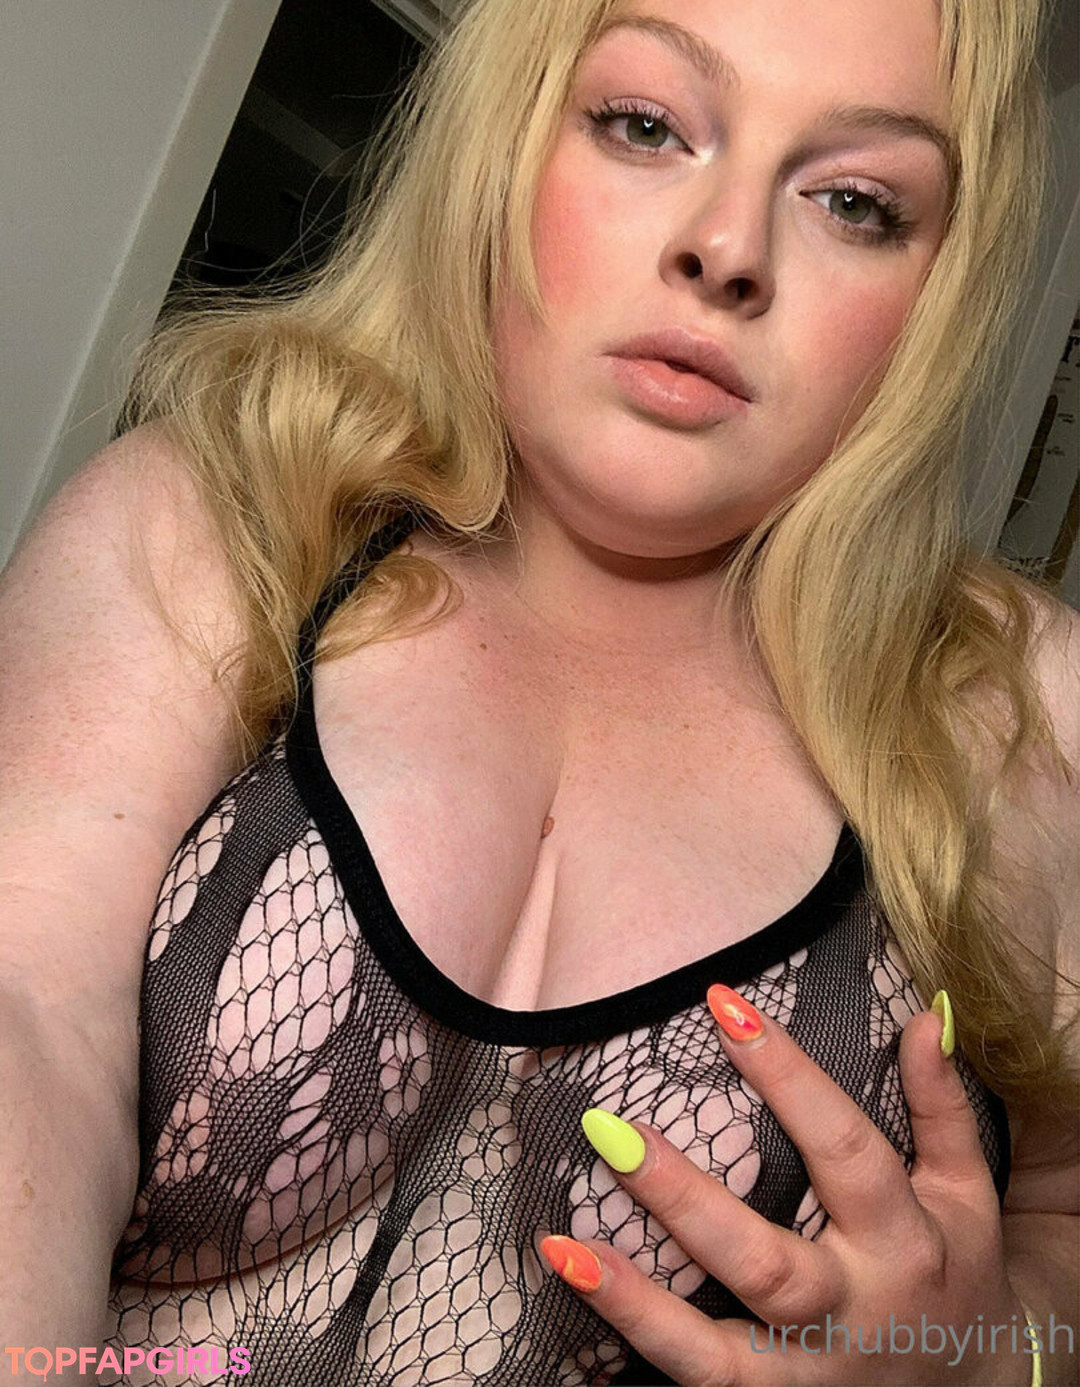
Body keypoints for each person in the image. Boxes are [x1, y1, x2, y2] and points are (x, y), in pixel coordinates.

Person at [1, 0, 1077, 1382]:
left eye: (856, 202)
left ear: (942, 289)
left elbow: (1061, 1227)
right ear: (509, 139)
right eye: (645, 126)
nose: (728, 249)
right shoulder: (216, 523)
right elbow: (28, 1012)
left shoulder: (1020, 709)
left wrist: (982, 1354)